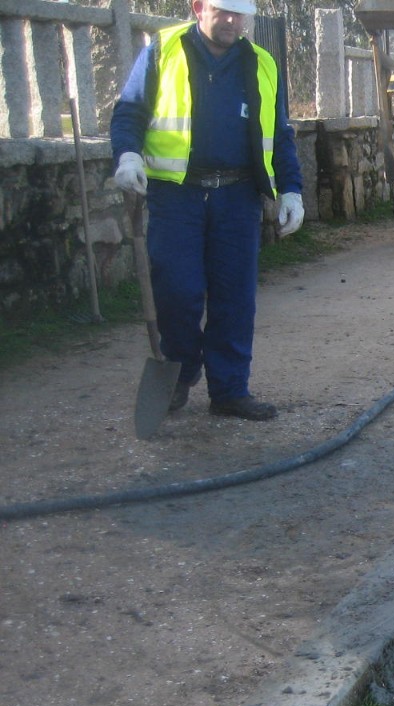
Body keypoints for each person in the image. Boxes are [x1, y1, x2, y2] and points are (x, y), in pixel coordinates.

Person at [110, 0, 304, 421]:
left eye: (240, 14)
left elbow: (280, 131)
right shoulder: (164, 50)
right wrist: (127, 155)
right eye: (224, 11)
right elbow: (129, 112)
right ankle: (180, 371)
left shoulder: (262, 63)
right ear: (199, 7)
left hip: (237, 196)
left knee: (234, 298)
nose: (233, 21)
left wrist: (291, 190)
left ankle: (230, 390)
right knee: (177, 290)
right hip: (176, 195)